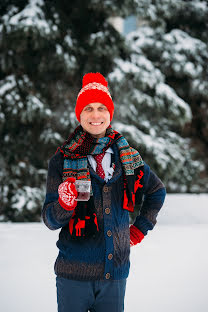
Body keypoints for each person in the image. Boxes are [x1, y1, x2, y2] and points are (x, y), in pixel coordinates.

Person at [42, 72, 166, 312]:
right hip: (72, 277)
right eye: (88, 108)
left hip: (115, 275)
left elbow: (157, 191)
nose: (96, 115)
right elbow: (49, 219)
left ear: (110, 112)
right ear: (79, 114)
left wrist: (140, 229)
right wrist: (64, 205)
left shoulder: (128, 157)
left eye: (101, 107)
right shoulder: (61, 160)